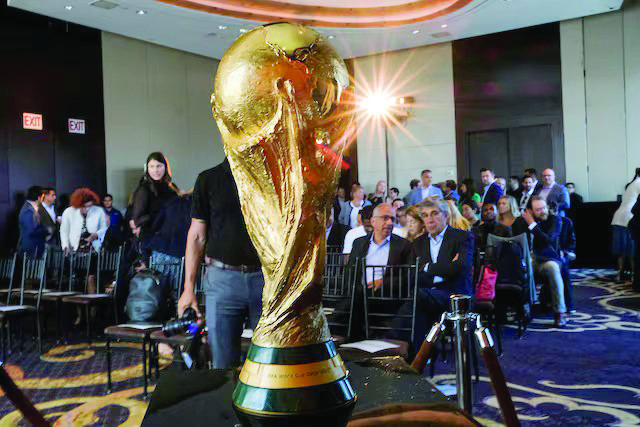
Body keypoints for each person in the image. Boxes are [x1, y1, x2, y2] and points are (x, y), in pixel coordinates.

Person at [177, 159, 264, 369]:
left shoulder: (268, 175)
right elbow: (197, 236)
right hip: (223, 279)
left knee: (269, 364)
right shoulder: (209, 178)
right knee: (222, 365)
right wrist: (188, 289)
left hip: (266, 278)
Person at [410, 198, 475, 349]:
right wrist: (446, 267)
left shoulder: (462, 237)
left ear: (445, 215)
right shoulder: (417, 243)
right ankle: (417, 350)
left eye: (434, 214)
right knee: (414, 296)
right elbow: (413, 275)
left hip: (456, 295)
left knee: (416, 298)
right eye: (425, 216)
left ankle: (412, 350)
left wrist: (427, 267)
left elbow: (460, 269)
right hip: (427, 293)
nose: (430, 220)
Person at [344, 204, 413, 340]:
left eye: (392, 219)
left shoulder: (403, 245)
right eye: (385, 218)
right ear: (373, 221)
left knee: (349, 310)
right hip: (359, 294)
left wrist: (383, 283)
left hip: (388, 296)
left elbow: (408, 277)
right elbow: (350, 271)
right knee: (348, 304)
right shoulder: (359, 243)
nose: (389, 223)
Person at [60, 188, 108, 324]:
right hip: (75, 251)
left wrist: (95, 235)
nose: (87, 209)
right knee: (76, 282)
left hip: (92, 250)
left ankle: (92, 312)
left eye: (89, 206)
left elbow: (104, 227)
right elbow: (64, 231)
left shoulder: (98, 211)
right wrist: (65, 246)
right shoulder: (69, 212)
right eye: (84, 207)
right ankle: (79, 314)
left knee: (91, 279)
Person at [522, 196, 567, 327]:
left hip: (546, 260)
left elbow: (547, 239)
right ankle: (523, 309)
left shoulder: (555, 220)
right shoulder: (523, 221)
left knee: (553, 268)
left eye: (543, 208)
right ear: (530, 211)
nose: (542, 211)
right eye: (538, 209)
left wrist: (532, 224)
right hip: (527, 259)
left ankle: (560, 312)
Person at [130, 152, 181, 261]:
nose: (155, 170)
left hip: (171, 239)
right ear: (147, 168)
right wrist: (159, 216)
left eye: (159, 166)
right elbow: (137, 219)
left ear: (165, 167)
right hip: (152, 240)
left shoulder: (172, 188)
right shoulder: (144, 189)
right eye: (151, 167)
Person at [611, 169, 640, 282]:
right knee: (632, 249)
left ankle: (621, 274)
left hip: (620, 218)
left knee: (623, 249)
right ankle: (634, 275)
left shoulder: (634, 182)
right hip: (629, 218)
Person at [18, 185, 46, 257]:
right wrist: (46, 231)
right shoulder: (28, 210)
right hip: (30, 249)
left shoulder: (33, 209)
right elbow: (31, 231)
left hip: (34, 248)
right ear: (39, 197)